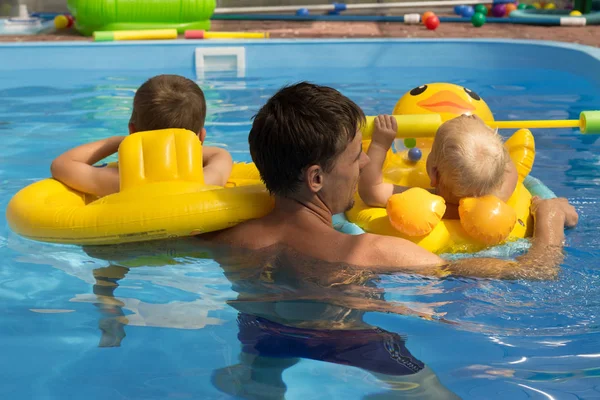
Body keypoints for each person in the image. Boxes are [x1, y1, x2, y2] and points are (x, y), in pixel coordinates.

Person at [204, 81, 579, 281]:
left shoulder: (227, 239)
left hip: (261, 339)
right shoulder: (376, 254)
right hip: (355, 343)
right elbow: (535, 272)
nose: (366, 160)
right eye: (356, 156)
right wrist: (549, 217)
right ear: (316, 178)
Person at [50, 74, 233, 198]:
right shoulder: (205, 179)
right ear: (201, 136)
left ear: (132, 131)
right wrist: (184, 146)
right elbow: (220, 154)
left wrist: (118, 141)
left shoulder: (119, 182)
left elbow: (61, 165)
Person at [359, 113, 519, 218]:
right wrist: (487, 132)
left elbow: (371, 192)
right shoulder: (498, 196)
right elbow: (511, 170)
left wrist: (380, 144)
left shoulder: (428, 202)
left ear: (434, 173)